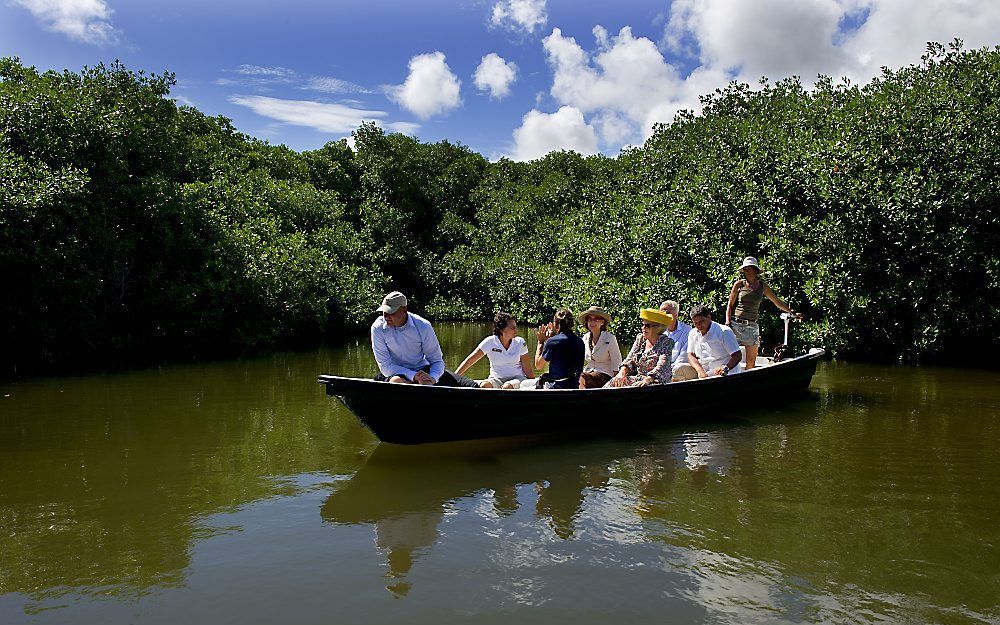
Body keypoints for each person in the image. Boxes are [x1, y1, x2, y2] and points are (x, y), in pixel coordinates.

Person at [370, 291, 478, 387]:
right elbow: (385, 366)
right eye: (384, 312)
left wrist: (432, 378)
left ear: (404, 310)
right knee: (396, 381)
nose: (386, 316)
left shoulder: (423, 326)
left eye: (391, 312)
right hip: (394, 373)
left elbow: (436, 361)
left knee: (471, 386)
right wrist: (414, 377)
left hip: (423, 370)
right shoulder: (377, 328)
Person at [726, 257, 803, 368]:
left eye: (748, 268)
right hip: (736, 324)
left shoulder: (762, 286)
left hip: (751, 326)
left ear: (755, 270)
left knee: (751, 362)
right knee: (729, 358)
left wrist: (793, 313)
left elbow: (777, 302)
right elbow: (730, 305)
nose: (746, 271)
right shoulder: (739, 284)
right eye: (745, 269)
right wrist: (728, 324)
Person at [454, 312, 534, 389]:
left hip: (517, 379)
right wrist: (454, 378)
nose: (516, 330)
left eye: (516, 327)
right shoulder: (490, 341)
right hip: (496, 379)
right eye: (512, 328)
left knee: (507, 387)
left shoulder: (520, 342)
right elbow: (470, 360)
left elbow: (527, 367)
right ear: (502, 329)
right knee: (484, 385)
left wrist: (533, 384)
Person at [607, 308, 676, 387]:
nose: (643, 328)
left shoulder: (666, 342)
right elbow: (630, 358)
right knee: (614, 382)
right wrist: (622, 372)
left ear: (658, 328)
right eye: (642, 325)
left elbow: (663, 365)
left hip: (657, 382)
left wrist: (648, 379)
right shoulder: (641, 339)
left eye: (647, 326)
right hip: (639, 379)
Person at [674, 304, 743, 381]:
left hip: (722, 372)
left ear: (709, 317)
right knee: (678, 369)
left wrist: (725, 368)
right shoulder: (692, 333)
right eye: (695, 323)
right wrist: (700, 371)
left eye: (701, 321)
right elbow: (690, 355)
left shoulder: (724, 331)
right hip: (703, 371)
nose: (699, 325)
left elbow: (737, 355)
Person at [528, 309, 585, 389]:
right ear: (572, 324)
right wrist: (551, 339)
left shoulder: (552, 342)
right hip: (574, 386)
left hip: (556, 387)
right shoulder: (580, 342)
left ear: (555, 324)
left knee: (525, 384)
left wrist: (540, 342)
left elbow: (538, 365)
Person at [577, 305, 623, 389]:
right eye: (589, 319)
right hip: (588, 373)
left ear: (602, 322)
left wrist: (616, 383)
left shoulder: (610, 338)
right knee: (575, 376)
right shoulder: (585, 338)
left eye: (596, 319)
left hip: (605, 375)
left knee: (581, 377)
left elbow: (617, 362)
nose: (592, 322)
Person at [658, 300, 692, 378]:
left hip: (678, 368)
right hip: (661, 368)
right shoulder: (658, 331)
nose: (664, 316)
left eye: (668, 313)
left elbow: (683, 357)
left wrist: (667, 370)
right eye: (662, 314)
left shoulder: (687, 331)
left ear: (676, 315)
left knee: (678, 369)